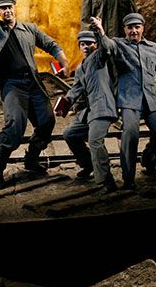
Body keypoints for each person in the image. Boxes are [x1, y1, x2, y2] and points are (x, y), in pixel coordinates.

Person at [0, 0, 68, 187]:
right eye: (3, 9)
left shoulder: (29, 29)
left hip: (33, 83)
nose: (7, 11)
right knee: (14, 125)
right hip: (12, 85)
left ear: (14, 8)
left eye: (9, 7)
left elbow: (50, 44)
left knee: (46, 121)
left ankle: (31, 159)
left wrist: (63, 60)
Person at [100, 12, 156, 188]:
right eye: (130, 28)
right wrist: (101, 32)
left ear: (143, 28)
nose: (134, 31)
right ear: (125, 29)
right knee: (130, 135)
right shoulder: (118, 44)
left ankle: (149, 158)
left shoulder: (154, 48)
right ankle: (128, 179)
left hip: (151, 98)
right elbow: (106, 45)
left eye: (137, 27)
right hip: (129, 99)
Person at [59, 26, 118, 192]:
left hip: (103, 108)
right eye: (82, 44)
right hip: (90, 111)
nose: (85, 47)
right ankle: (88, 165)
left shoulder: (99, 58)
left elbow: (106, 49)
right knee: (70, 134)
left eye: (89, 43)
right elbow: (76, 89)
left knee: (95, 142)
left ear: (95, 45)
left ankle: (106, 182)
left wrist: (100, 32)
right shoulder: (80, 68)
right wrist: (64, 105)